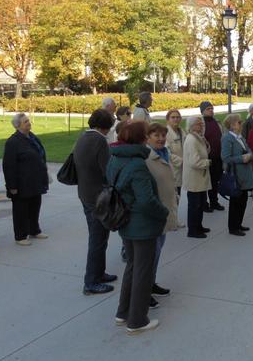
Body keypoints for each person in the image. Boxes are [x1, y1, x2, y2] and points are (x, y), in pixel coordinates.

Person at [108, 121, 168, 335]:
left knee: (133, 267)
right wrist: (163, 212)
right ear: (140, 139)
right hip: (141, 225)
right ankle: (137, 320)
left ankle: (123, 312)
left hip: (126, 221)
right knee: (142, 271)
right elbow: (146, 200)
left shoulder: (116, 158)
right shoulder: (137, 164)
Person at [74, 109, 116, 295]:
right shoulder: (99, 140)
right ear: (105, 126)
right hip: (97, 197)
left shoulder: (83, 137)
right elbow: (108, 170)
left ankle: (99, 273)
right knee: (98, 239)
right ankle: (91, 282)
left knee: (99, 237)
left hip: (86, 193)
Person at [145, 123, 179, 306]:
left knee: (157, 253)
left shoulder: (164, 153)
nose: (160, 139)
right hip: (154, 213)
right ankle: (144, 291)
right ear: (147, 137)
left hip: (165, 210)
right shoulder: (146, 157)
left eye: (163, 135)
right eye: (156, 135)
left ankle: (151, 283)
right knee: (149, 255)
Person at [2, 113, 49, 246]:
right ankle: (20, 236)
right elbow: (8, 165)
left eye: (28, 120)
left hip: (35, 180)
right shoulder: (13, 142)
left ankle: (34, 230)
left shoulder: (32, 137)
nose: (29, 123)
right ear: (18, 126)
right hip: (22, 183)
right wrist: (12, 186)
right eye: (25, 122)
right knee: (20, 210)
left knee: (35, 206)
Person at [221, 114, 253, 236]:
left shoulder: (240, 137)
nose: (241, 124)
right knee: (236, 202)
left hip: (244, 174)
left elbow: (248, 149)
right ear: (232, 125)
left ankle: (239, 223)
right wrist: (242, 158)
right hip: (236, 174)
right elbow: (225, 157)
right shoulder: (227, 138)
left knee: (243, 200)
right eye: (239, 122)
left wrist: (250, 155)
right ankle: (233, 227)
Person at [182, 115, 212, 238]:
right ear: (192, 126)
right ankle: (192, 230)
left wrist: (206, 144)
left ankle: (198, 226)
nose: (202, 125)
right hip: (194, 178)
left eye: (202, 123)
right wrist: (207, 162)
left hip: (200, 177)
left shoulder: (198, 137)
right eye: (199, 124)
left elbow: (203, 152)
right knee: (194, 206)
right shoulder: (191, 140)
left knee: (200, 204)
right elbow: (194, 162)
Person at [199, 101, 225, 212]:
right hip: (206, 158)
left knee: (215, 181)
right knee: (205, 182)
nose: (211, 110)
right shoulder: (200, 123)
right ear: (202, 111)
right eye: (208, 109)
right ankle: (204, 204)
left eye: (212, 108)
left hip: (217, 157)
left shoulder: (217, 122)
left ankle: (214, 202)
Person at [165, 109, 185, 207]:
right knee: (172, 198)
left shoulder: (182, 131)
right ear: (167, 120)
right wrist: (182, 161)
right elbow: (167, 152)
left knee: (179, 195)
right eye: (173, 117)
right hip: (172, 169)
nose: (176, 119)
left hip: (182, 169)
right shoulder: (165, 133)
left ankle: (176, 215)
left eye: (177, 117)